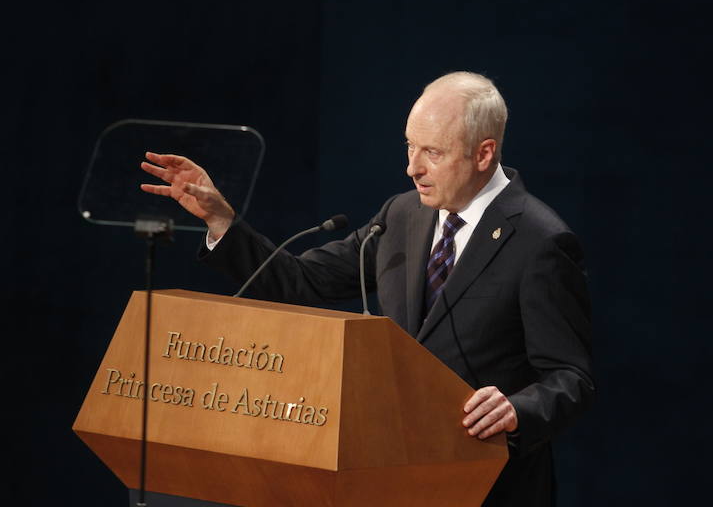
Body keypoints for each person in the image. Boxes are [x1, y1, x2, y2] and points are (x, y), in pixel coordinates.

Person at [140, 71, 594, 506]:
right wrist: (222, 221)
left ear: (483, 154)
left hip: (489, 484)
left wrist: (518, 410)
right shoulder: (401, 217)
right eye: (409, 146)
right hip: (388, 474)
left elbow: (569, 378)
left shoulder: (540, 241)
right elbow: (301, 282)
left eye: (432, 152)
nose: (411, 168)